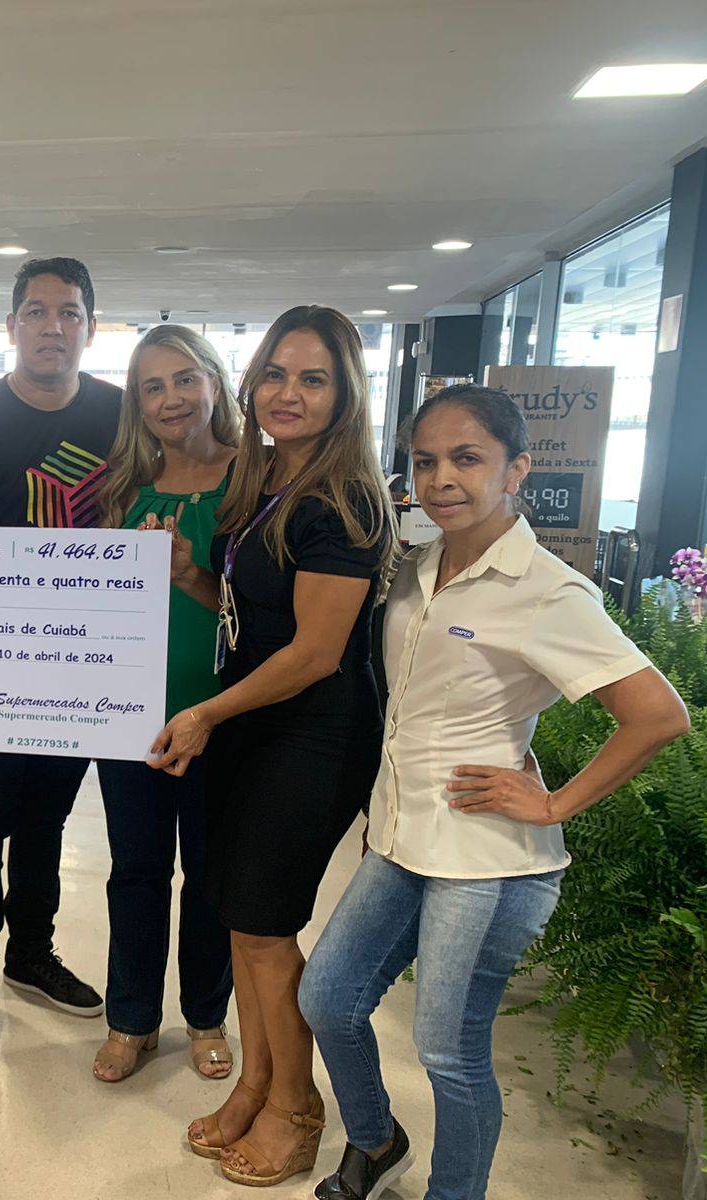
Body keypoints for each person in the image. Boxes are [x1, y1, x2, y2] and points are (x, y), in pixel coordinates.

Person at [299, 386, 689, 1200]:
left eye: (467, 458)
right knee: (328, 998)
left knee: (448, 1049)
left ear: (517, 470)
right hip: (402, 839)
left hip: (486, 857)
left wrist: (554, 803)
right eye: (426, 461)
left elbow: (658, 715)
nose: (442, 478)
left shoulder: (547, 591)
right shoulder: (417, 568)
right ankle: (376, 1141)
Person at [148, 305, 395, 1187]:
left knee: (264, 927)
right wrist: (189, 573)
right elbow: (249, 613)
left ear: (345, 394)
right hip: (254, 724)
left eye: (313, 379)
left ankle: (296, 1107)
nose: (289, 394)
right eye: (277, 375)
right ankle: (255, 1084)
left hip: (313, 735)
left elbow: (316, 652)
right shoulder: (266, 480)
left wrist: (206, 714)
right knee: (239, 920)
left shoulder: (343, 500)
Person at [0, 257, 116, 1055]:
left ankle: (32, 954)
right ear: (11, 326)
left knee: (48, 818)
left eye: (69, 313)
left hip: (85, 658)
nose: (52, 327)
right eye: (36, 312)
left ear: (90, 329)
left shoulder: (122, 417)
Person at [90, 325, 238, 1084]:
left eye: (185, 379)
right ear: (138, 405)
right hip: (131, 717)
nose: (171, 398)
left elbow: (261, 614)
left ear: (214, 382)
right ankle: (132, 1020)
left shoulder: (254, 483)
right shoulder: (122, 490)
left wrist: (189, 574)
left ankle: (207, 1016)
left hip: (223, 717)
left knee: (213, 877)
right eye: (153, 387)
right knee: (136, 872)